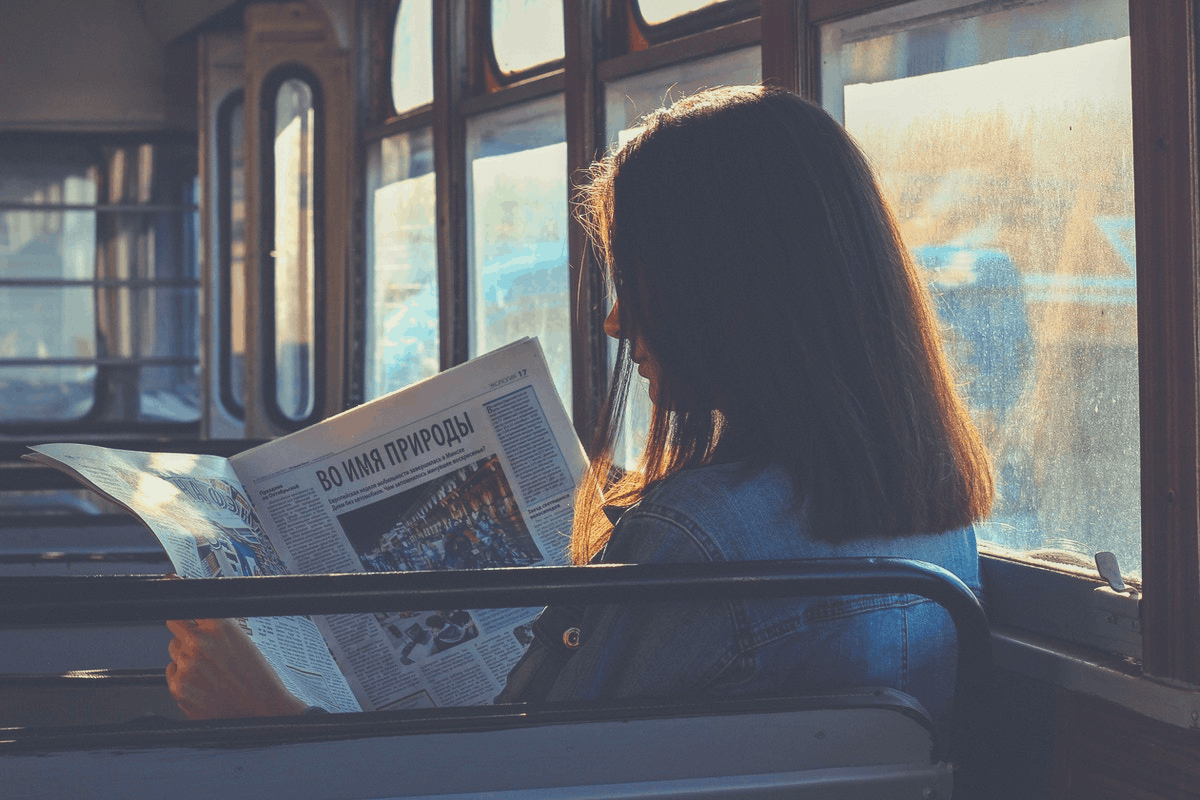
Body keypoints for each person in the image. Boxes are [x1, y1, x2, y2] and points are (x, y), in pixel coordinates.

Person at [166, 85, 993, 736]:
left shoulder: (695, 540)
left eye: (635, 282)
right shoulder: (937, 523)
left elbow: (530, 777)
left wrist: (273, 717)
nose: (613, 320)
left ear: (728, 295)